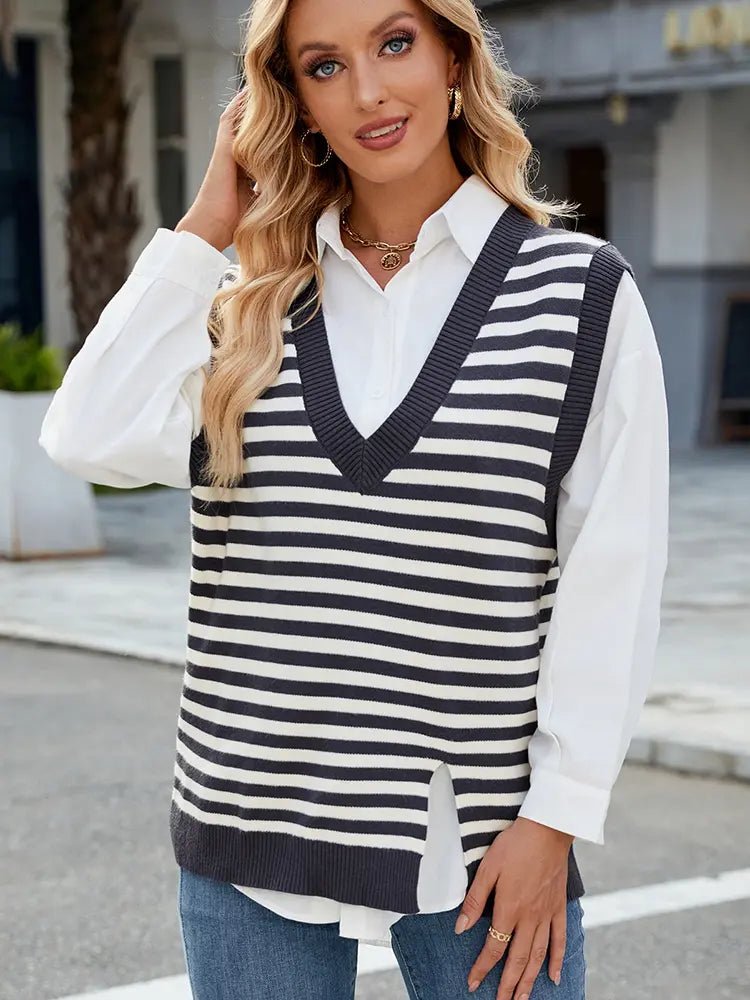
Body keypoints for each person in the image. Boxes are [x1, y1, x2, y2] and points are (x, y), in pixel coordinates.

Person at [39, 0, 670, 997]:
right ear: (289, 103)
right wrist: (209, 224)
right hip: (248, 824)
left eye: (395, 43)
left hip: (478, 841)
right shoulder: (249, 308)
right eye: (324, 66)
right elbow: (85, 435)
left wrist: (557, 817)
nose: (369, 92)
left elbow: (615, 579)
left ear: (453, 56)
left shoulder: (578, 295)